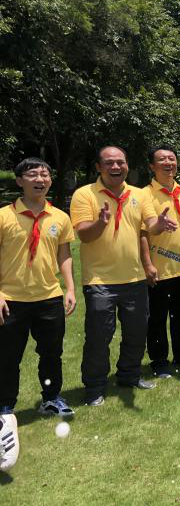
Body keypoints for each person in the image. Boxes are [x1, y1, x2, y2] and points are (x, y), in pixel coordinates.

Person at [71, 146, 177, 406]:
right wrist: (100, 223)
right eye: (109, 163)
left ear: (127, 165)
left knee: (136, 333)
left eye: (121, 162)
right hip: (100, 281)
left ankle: (129, 376)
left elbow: (149, 225)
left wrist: (159, 225)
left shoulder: (139, 194)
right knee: (99, 337)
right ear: (99, 167)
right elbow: (84, 234)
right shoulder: (84, 194)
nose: (116, 167)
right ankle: (95, 387)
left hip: (134, 278)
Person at [0, 158, 76, 423]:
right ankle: (5, 407)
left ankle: (51, 397)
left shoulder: (60, 217)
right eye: (33, 175)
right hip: (11, 299)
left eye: (45, 175)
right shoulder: (4, 216)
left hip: (49, 297)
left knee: (51, 353)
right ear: (19, 181)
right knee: (8, 357)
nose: (40, 179)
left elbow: (64, 255)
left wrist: (70, 288)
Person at [140, 145, 180, 378]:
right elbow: (142, 232)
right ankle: (159, 360)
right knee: (157, 317)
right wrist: (147, 264)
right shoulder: (144, 195)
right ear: (151, 166)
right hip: (159, 267)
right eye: (162, 159)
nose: (168, 163)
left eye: (172, 158)